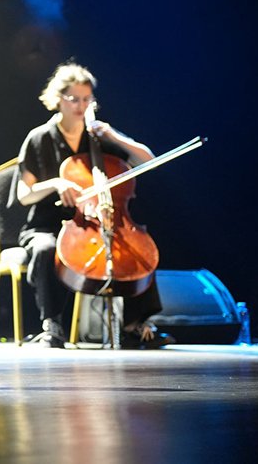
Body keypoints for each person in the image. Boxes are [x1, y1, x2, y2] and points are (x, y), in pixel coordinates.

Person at [14, 61, 174, 349]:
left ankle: (133, 325)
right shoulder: (39, 138)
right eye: (73, 99)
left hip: (99, 221)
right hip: (48, 225)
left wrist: (114, 137)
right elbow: (24, 193)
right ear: (57, 100)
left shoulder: (99, 139)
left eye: (87, 99)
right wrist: (56, 184)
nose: (80, 105)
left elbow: (149, 162)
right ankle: (52, 325)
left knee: (135, 249)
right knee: (46, 249)